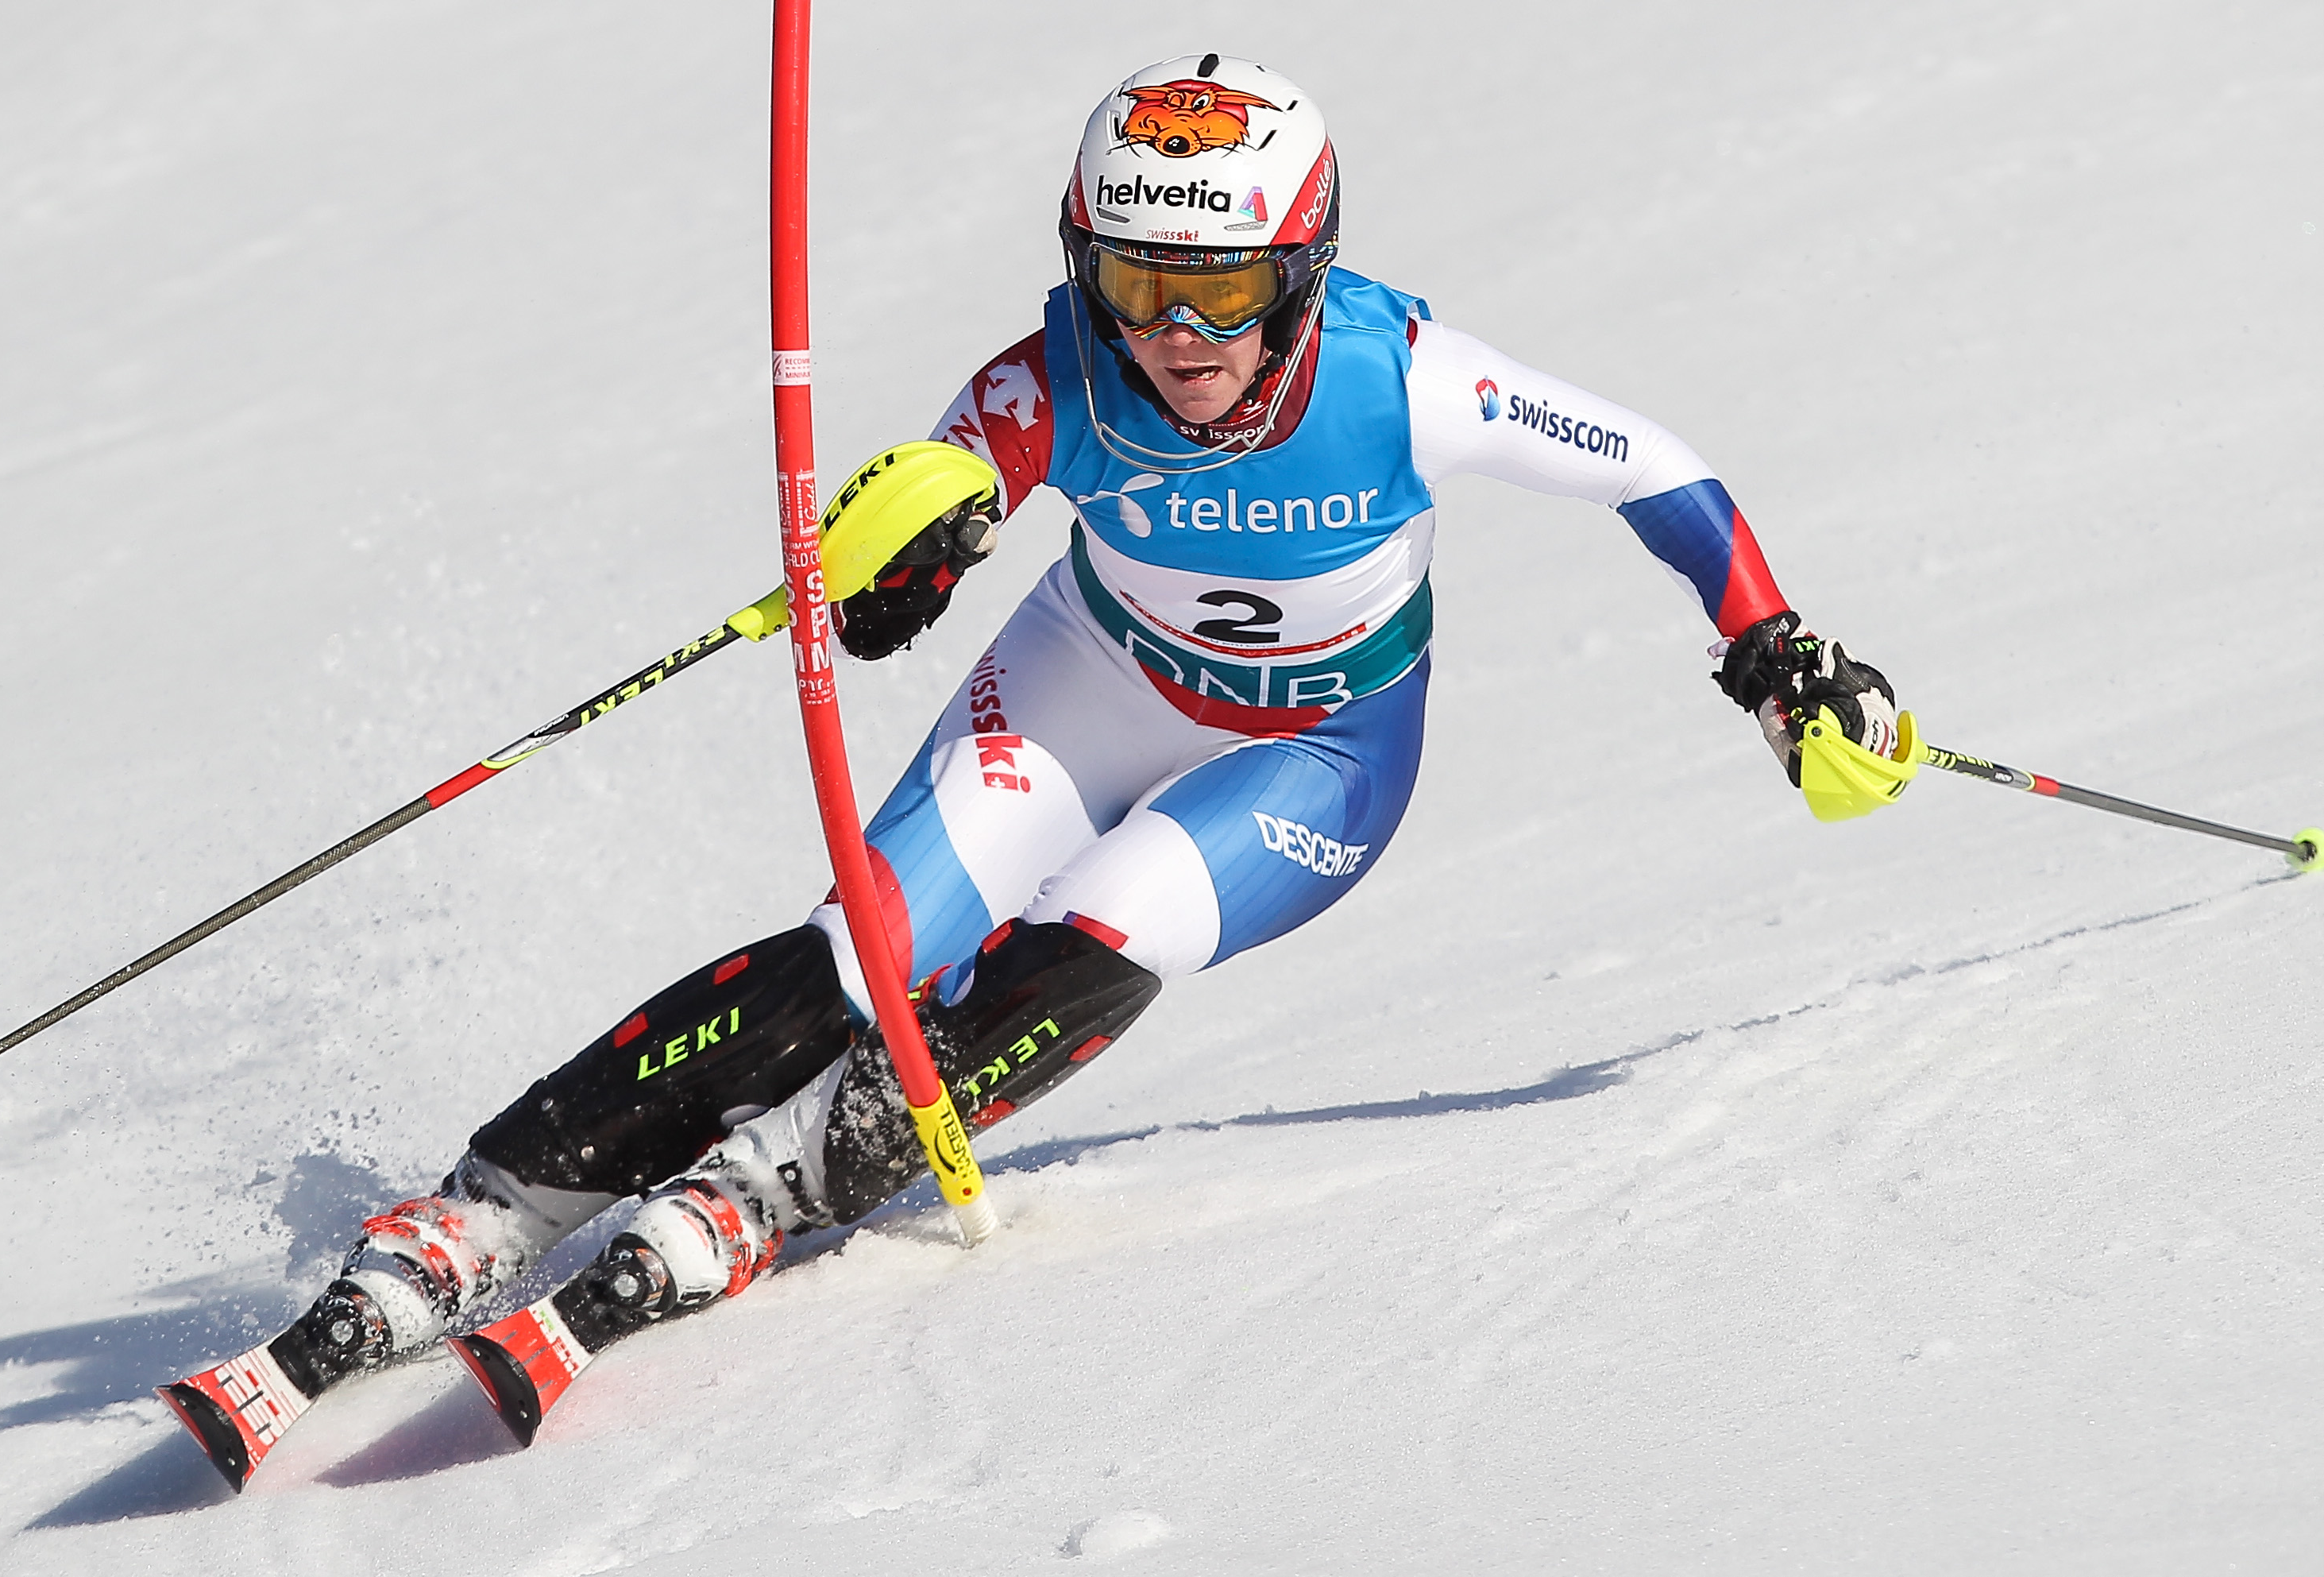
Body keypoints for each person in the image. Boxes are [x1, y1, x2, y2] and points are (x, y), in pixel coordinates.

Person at [163, 52, 1899, 1474]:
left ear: (1296, 271)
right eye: (1135, 280)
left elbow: (1654, 471)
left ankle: (778, 1185)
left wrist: (1768, 645)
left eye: (1215, 285)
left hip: (1318, 749)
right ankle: (488, 1206)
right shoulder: (1052, 371)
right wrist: (900, 568)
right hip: (1086, 680)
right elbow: (934, 512)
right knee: (864, 949)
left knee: (1107, 923)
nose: (1173, 332)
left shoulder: (1404, 373)